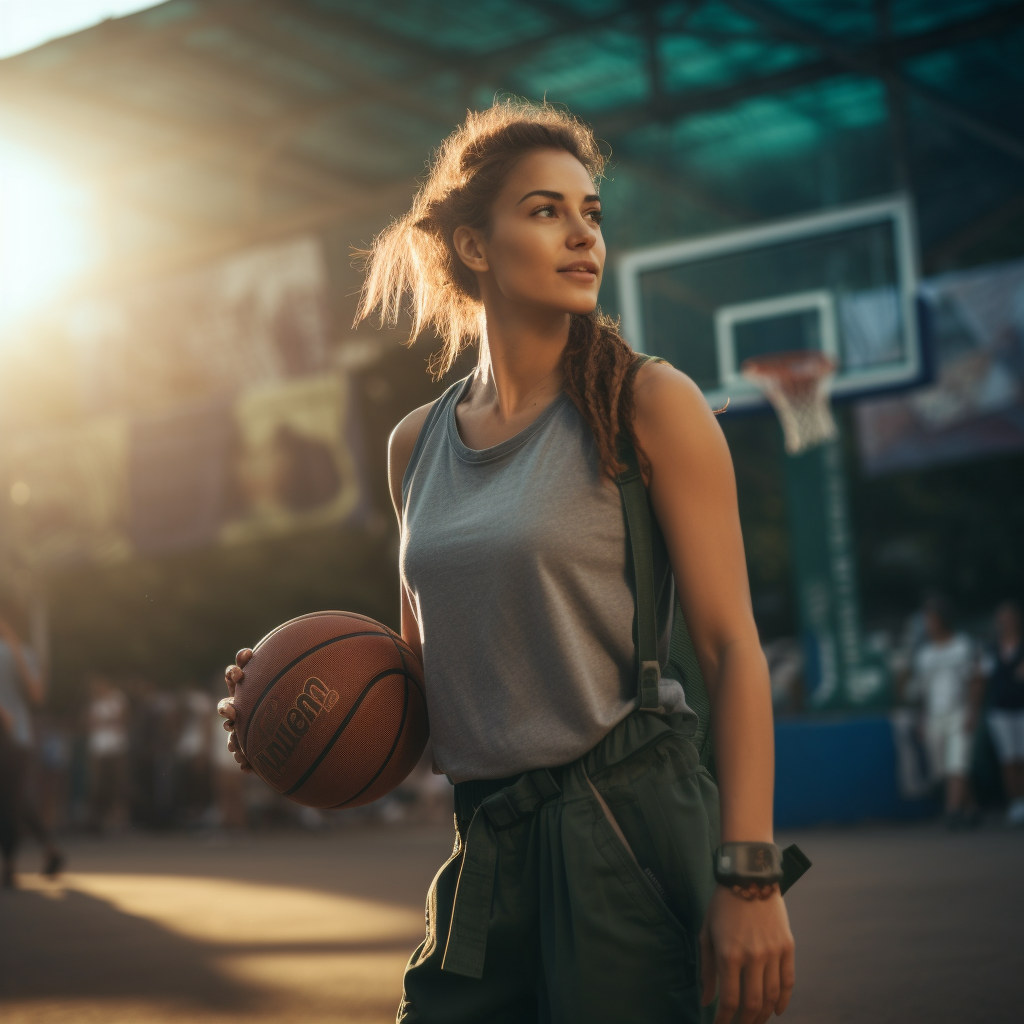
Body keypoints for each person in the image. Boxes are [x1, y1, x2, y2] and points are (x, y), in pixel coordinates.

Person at [220, 100, 796, 1024]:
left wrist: (752, 877)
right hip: (486, 840)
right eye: (545, 210)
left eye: (590, 212)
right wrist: (286, 703)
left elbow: (733, 652)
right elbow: (422, 687)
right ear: (474, 246)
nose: (582, 236)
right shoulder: (416, 444)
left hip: (625, 824)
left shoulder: (648, 402)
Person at [0, 606, 64, 887]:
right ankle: (48, 849)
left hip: (14, 736)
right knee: (15, 799)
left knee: (10, 801)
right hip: (17, 736)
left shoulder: (20, 652)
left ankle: (10, 866)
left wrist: (15, 647)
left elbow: (37, 695)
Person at [909, 595, 977, 827]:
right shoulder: (924, 655)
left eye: (930, 620)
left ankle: (952, 813)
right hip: (934, 717)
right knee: (946, 769)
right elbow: (921, 692)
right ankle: (971, 808)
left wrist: (972, 712)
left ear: (941, 620)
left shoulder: (963, 646)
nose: (927, 625)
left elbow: (974, 680)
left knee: (956, 762)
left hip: (959, 712)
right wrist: (921, 720)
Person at [979, 601, 1024, 825]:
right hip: (1000, 710)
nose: (1005, 623)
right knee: (1008, 758)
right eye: (1001, 619)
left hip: (1022, 707)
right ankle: (1016, 803)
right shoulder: (991, 648)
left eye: (1009, 618)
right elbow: (984, 678)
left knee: (1022, 756)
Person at [85, 675, 129, 831]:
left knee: (117, 782)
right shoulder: (95, 703)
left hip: (116, 747)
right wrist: (107, 721)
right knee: (98, 784)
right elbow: (91, 723)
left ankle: (118, 817)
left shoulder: (117, 697)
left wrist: (105, 720)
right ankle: (99, 818)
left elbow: (120, 719)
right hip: (98, 749)